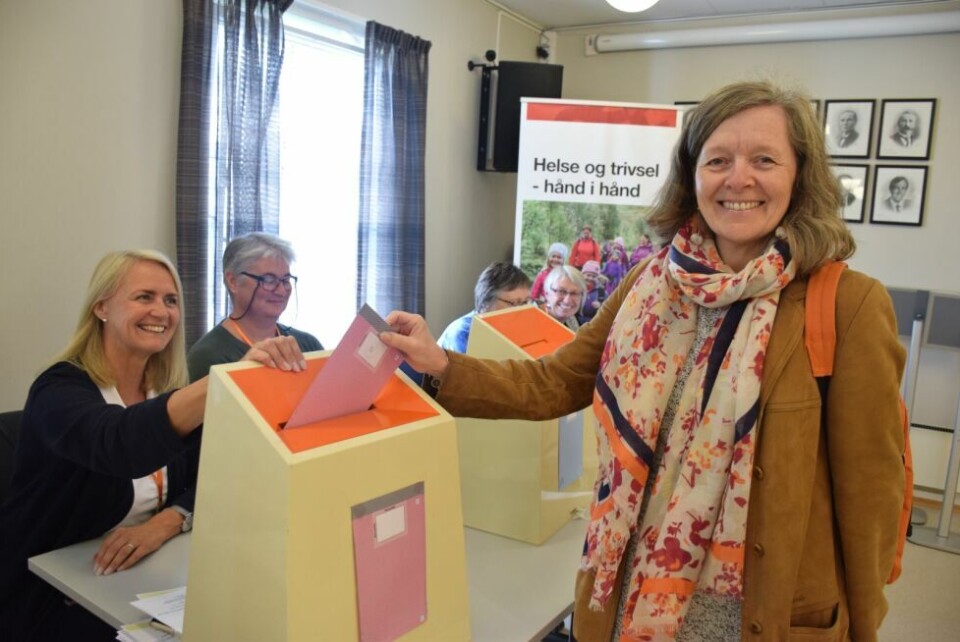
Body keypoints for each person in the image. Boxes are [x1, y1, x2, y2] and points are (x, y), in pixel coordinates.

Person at [381, 81, 905, 642]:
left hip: (754, 615)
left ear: (800, 176)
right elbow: (554, 381)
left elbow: (870, 499)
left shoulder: (848, 305)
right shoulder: (650, 282)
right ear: (692, 174)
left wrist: (861, 627)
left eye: (765, 160)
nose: (739, 179)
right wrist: (440, 362)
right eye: (718, 160)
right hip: (629, 594)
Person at [0, 250, 305, 641]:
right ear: (101, 308)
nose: (161, 311)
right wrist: (227, 381)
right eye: (144, 297)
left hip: (136, 581)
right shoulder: (58, 389)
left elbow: (212, 475)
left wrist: (169, 519)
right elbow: (120, 445)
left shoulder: (160, 390)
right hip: (48, 593)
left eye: (171, 300)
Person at [187, 232, 322, 382]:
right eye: (269, 280)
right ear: (233, 281)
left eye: (285, 280)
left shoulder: (308, 345)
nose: (281, 290)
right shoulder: (208, 356)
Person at [437, 261, 532, 353]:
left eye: (525, 302)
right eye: (514, 303)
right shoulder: (464, 334)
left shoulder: (512, 327)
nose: (521, 310)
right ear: (486, 302)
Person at [540, 265, 586, 331]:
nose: (567, 300)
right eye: (561, 291)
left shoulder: (572, 321)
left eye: (574, 293)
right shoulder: (533, 321)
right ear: (547, 294)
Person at [578, 260, 606, 326]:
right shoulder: (576, 288)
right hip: (575, 321)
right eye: (588, 275)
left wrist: (600, 306)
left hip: (592, 324)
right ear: (582, 275)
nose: (590, 278)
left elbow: (607, 308)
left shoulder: (601, 292)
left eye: (594, 276)